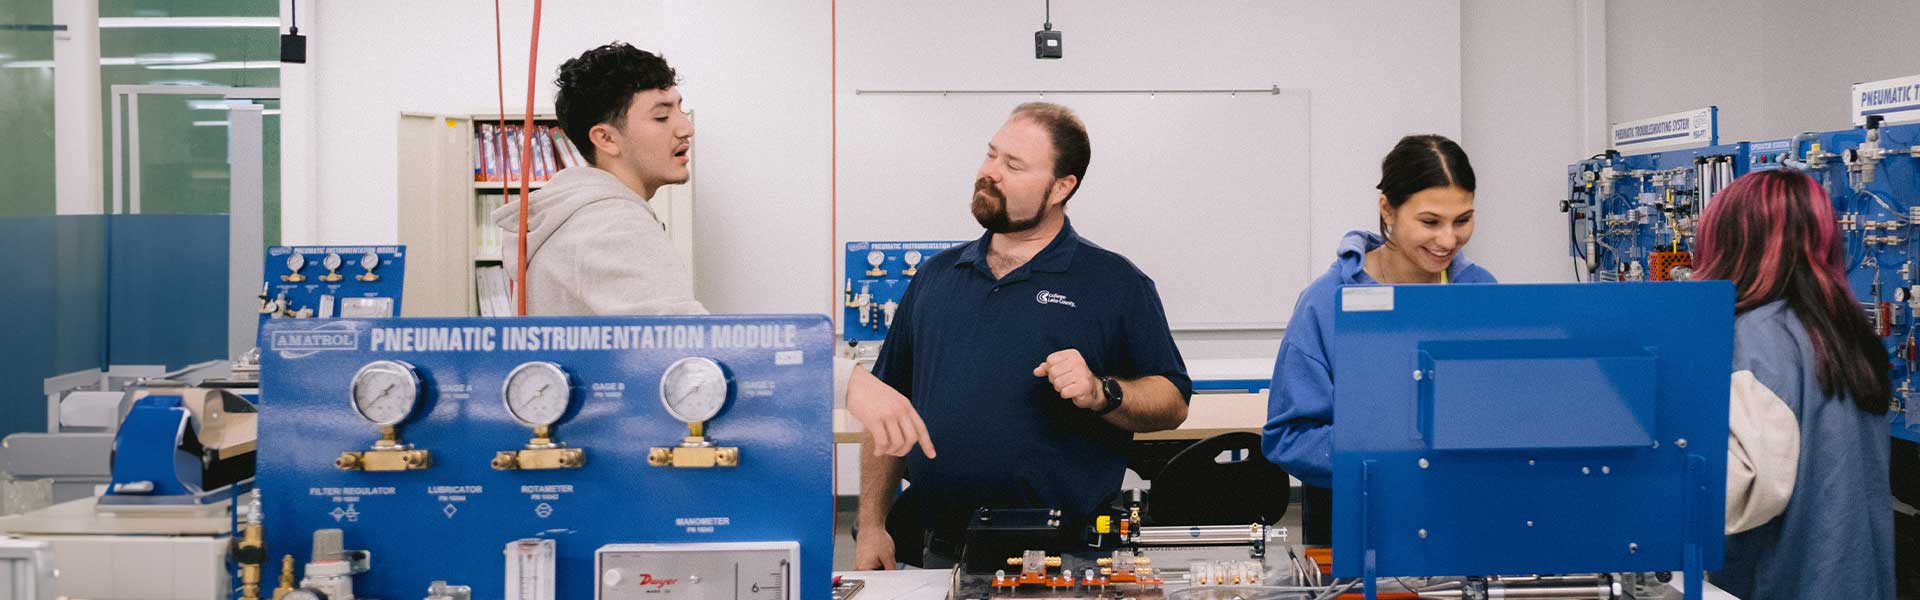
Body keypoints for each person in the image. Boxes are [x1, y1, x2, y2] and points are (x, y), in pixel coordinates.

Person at [492, 42, 933, 458]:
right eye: (662, 116)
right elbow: (690, 345)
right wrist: (850, 382)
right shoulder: (608, 223)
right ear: (607, 139)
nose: (686, 126)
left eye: (680, 108)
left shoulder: (580, 216)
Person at [852, 102, 1192, 569]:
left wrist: (1102, 391)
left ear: (1061, 187)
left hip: (1066, 561)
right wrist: (872, 525)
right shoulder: (936, 277)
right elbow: (885, 405)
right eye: (991, 155)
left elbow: (1172, 401)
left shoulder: (1115, 283)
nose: (990, 173)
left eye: (1013, 165)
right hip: (943, 553)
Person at [1261, 134, 1494, 545]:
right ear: (1387, 209)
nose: (1448, 240)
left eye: (1463, 220)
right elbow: (1288, 437)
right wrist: (1393, 450)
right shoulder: (1326, 302)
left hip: (1464, 519)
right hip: (1360, 530)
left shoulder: (1479, 291)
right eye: (1430, 222)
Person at [1697, 168, 1894, 599]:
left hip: (1785, 582)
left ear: (1731, 244)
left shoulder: (1755, 338)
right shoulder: (1845, 333)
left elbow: (1741, 491)